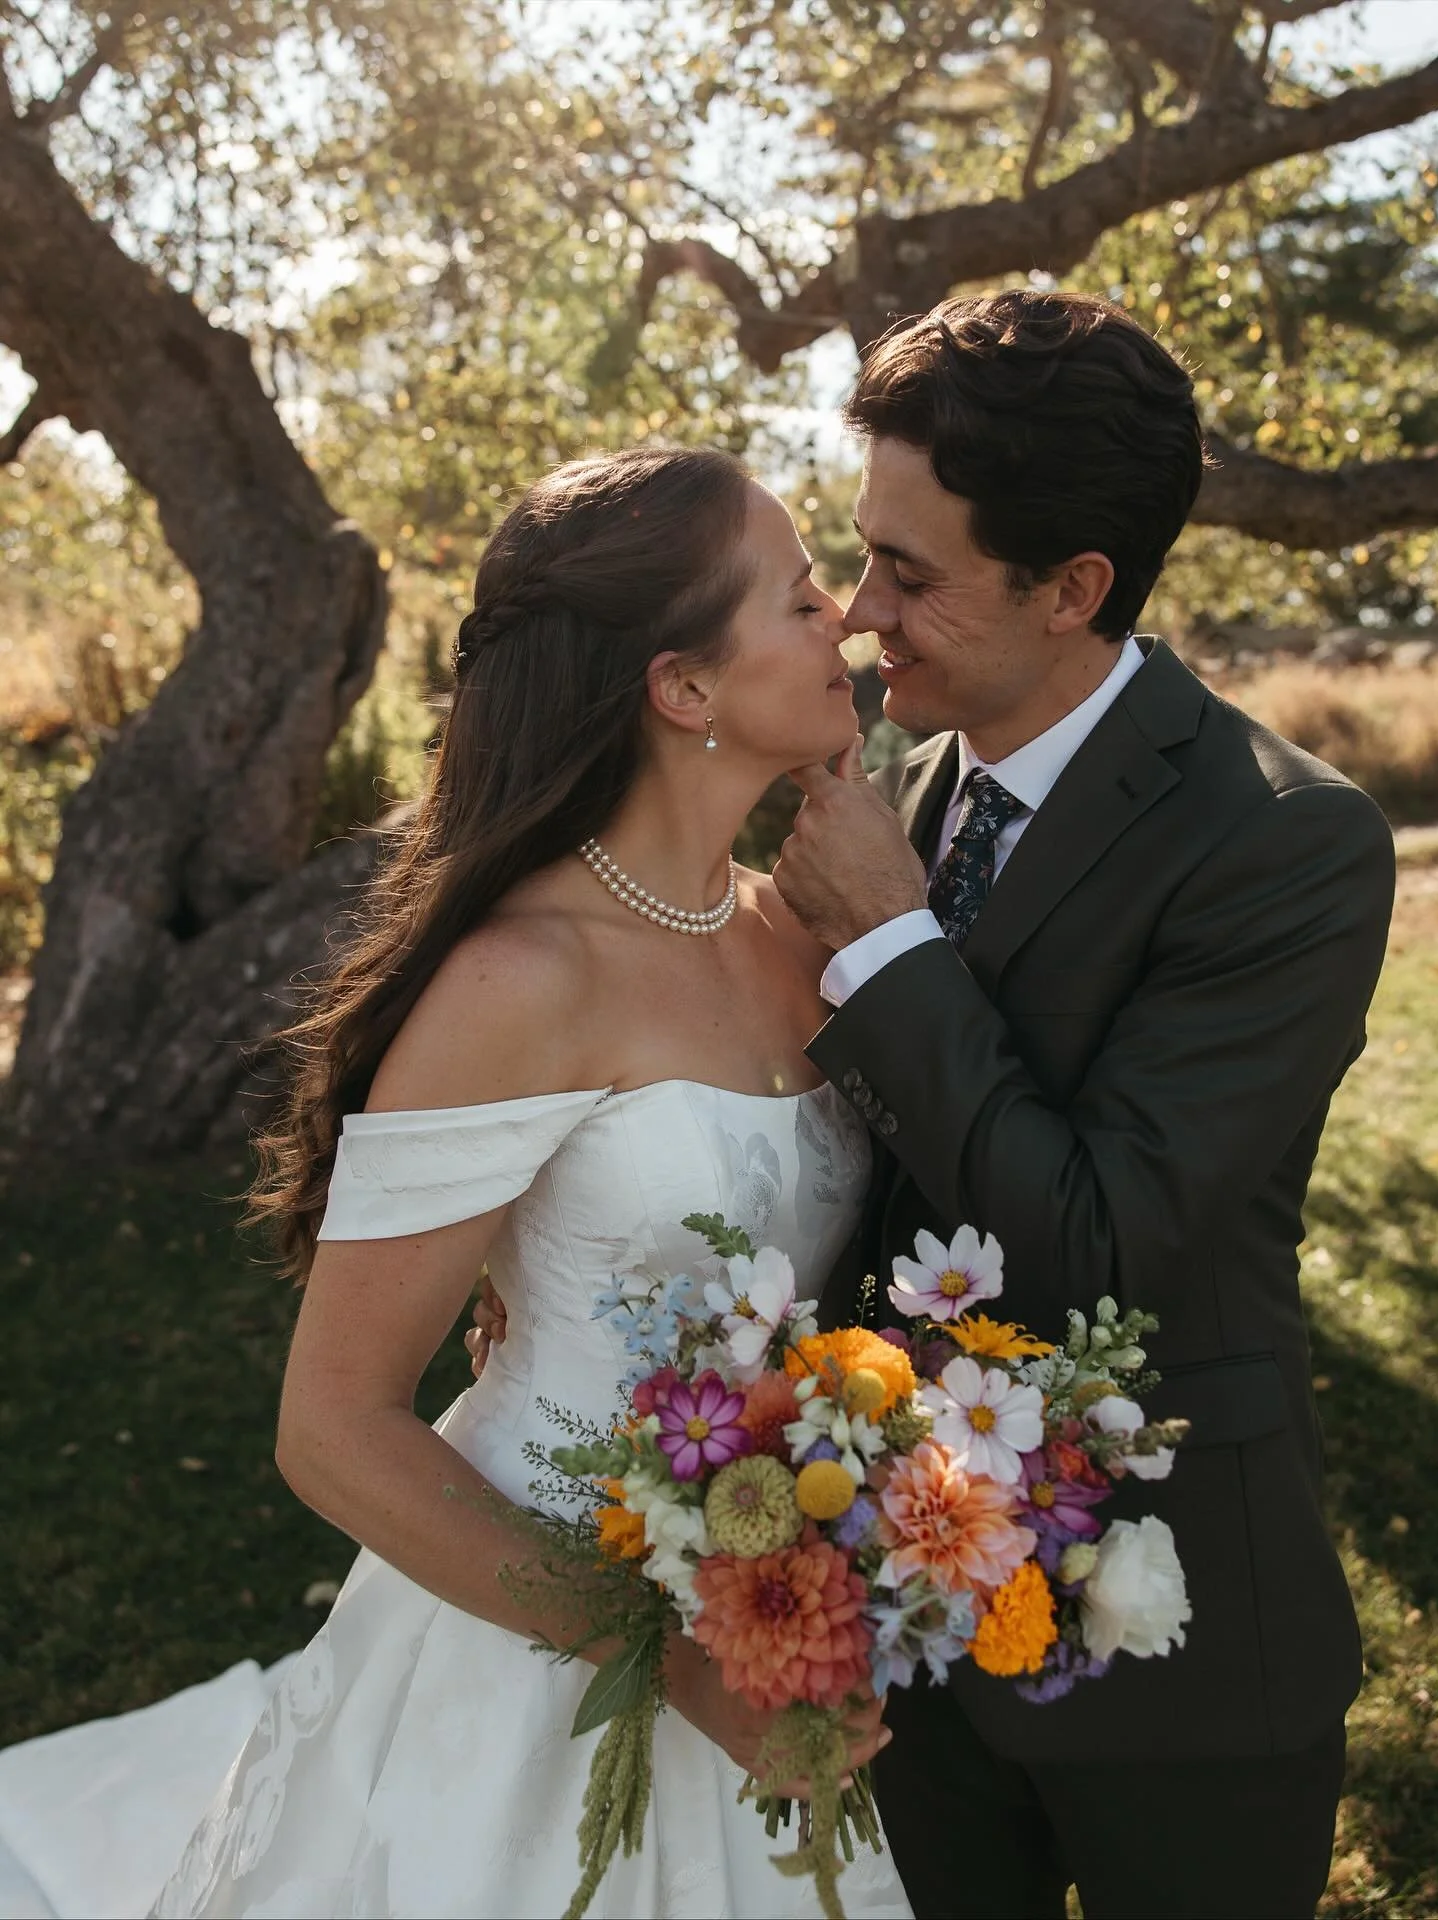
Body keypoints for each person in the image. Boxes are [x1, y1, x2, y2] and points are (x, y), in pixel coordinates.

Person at [473, 291, 1396, 1919]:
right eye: (858, 559)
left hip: (1173, 1641)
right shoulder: (867, 775)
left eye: (911, 577)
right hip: (874, 1634)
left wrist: (898, 941)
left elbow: (1108, 1235)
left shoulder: (1283, 845)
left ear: (1074, 588)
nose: (858, 617)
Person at [131, 447, 911, 1918]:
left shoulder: (799, 930)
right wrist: (659, 1655)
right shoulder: (522, 977)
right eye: (804, 600)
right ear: (683, 689)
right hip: (538, 1636)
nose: (849, 624)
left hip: (768, 1593)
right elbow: (333, 1429)